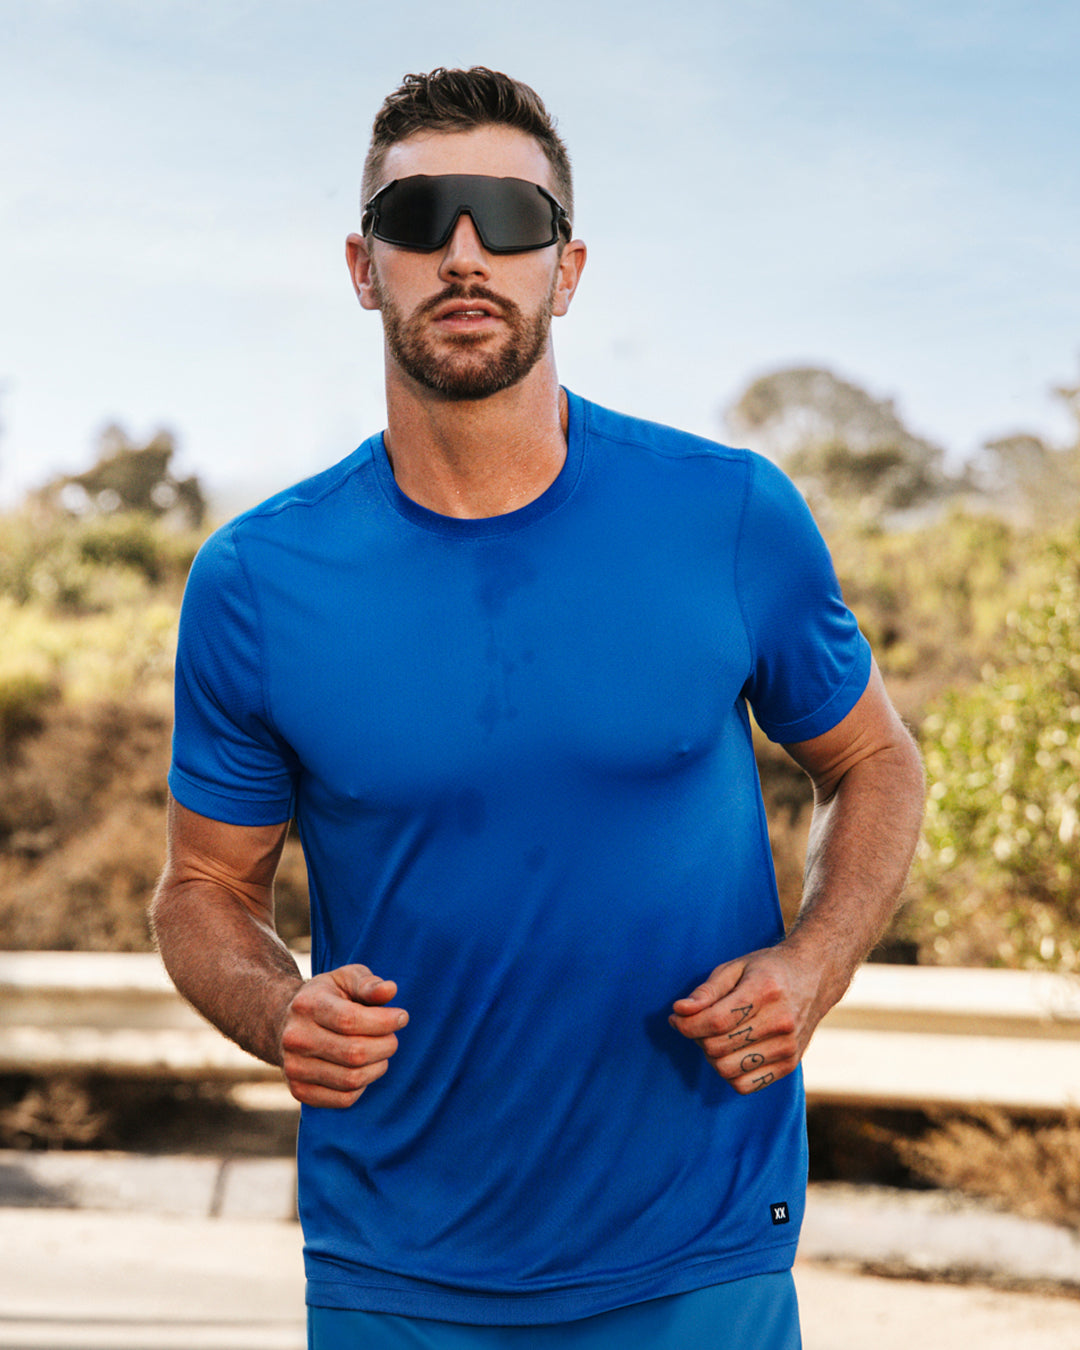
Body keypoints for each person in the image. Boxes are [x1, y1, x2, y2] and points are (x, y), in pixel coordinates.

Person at [152, 66, 925, 1350]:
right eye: (419, 219)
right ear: (362, 266)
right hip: (397, 1270)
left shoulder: (728, 514)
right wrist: (276, 1006)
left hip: (699, 1253)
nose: (465, 255)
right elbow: (201, 888)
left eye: (511, 220)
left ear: (566, 270)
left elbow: (874, 760)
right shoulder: (257, 579)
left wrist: (819, 959)